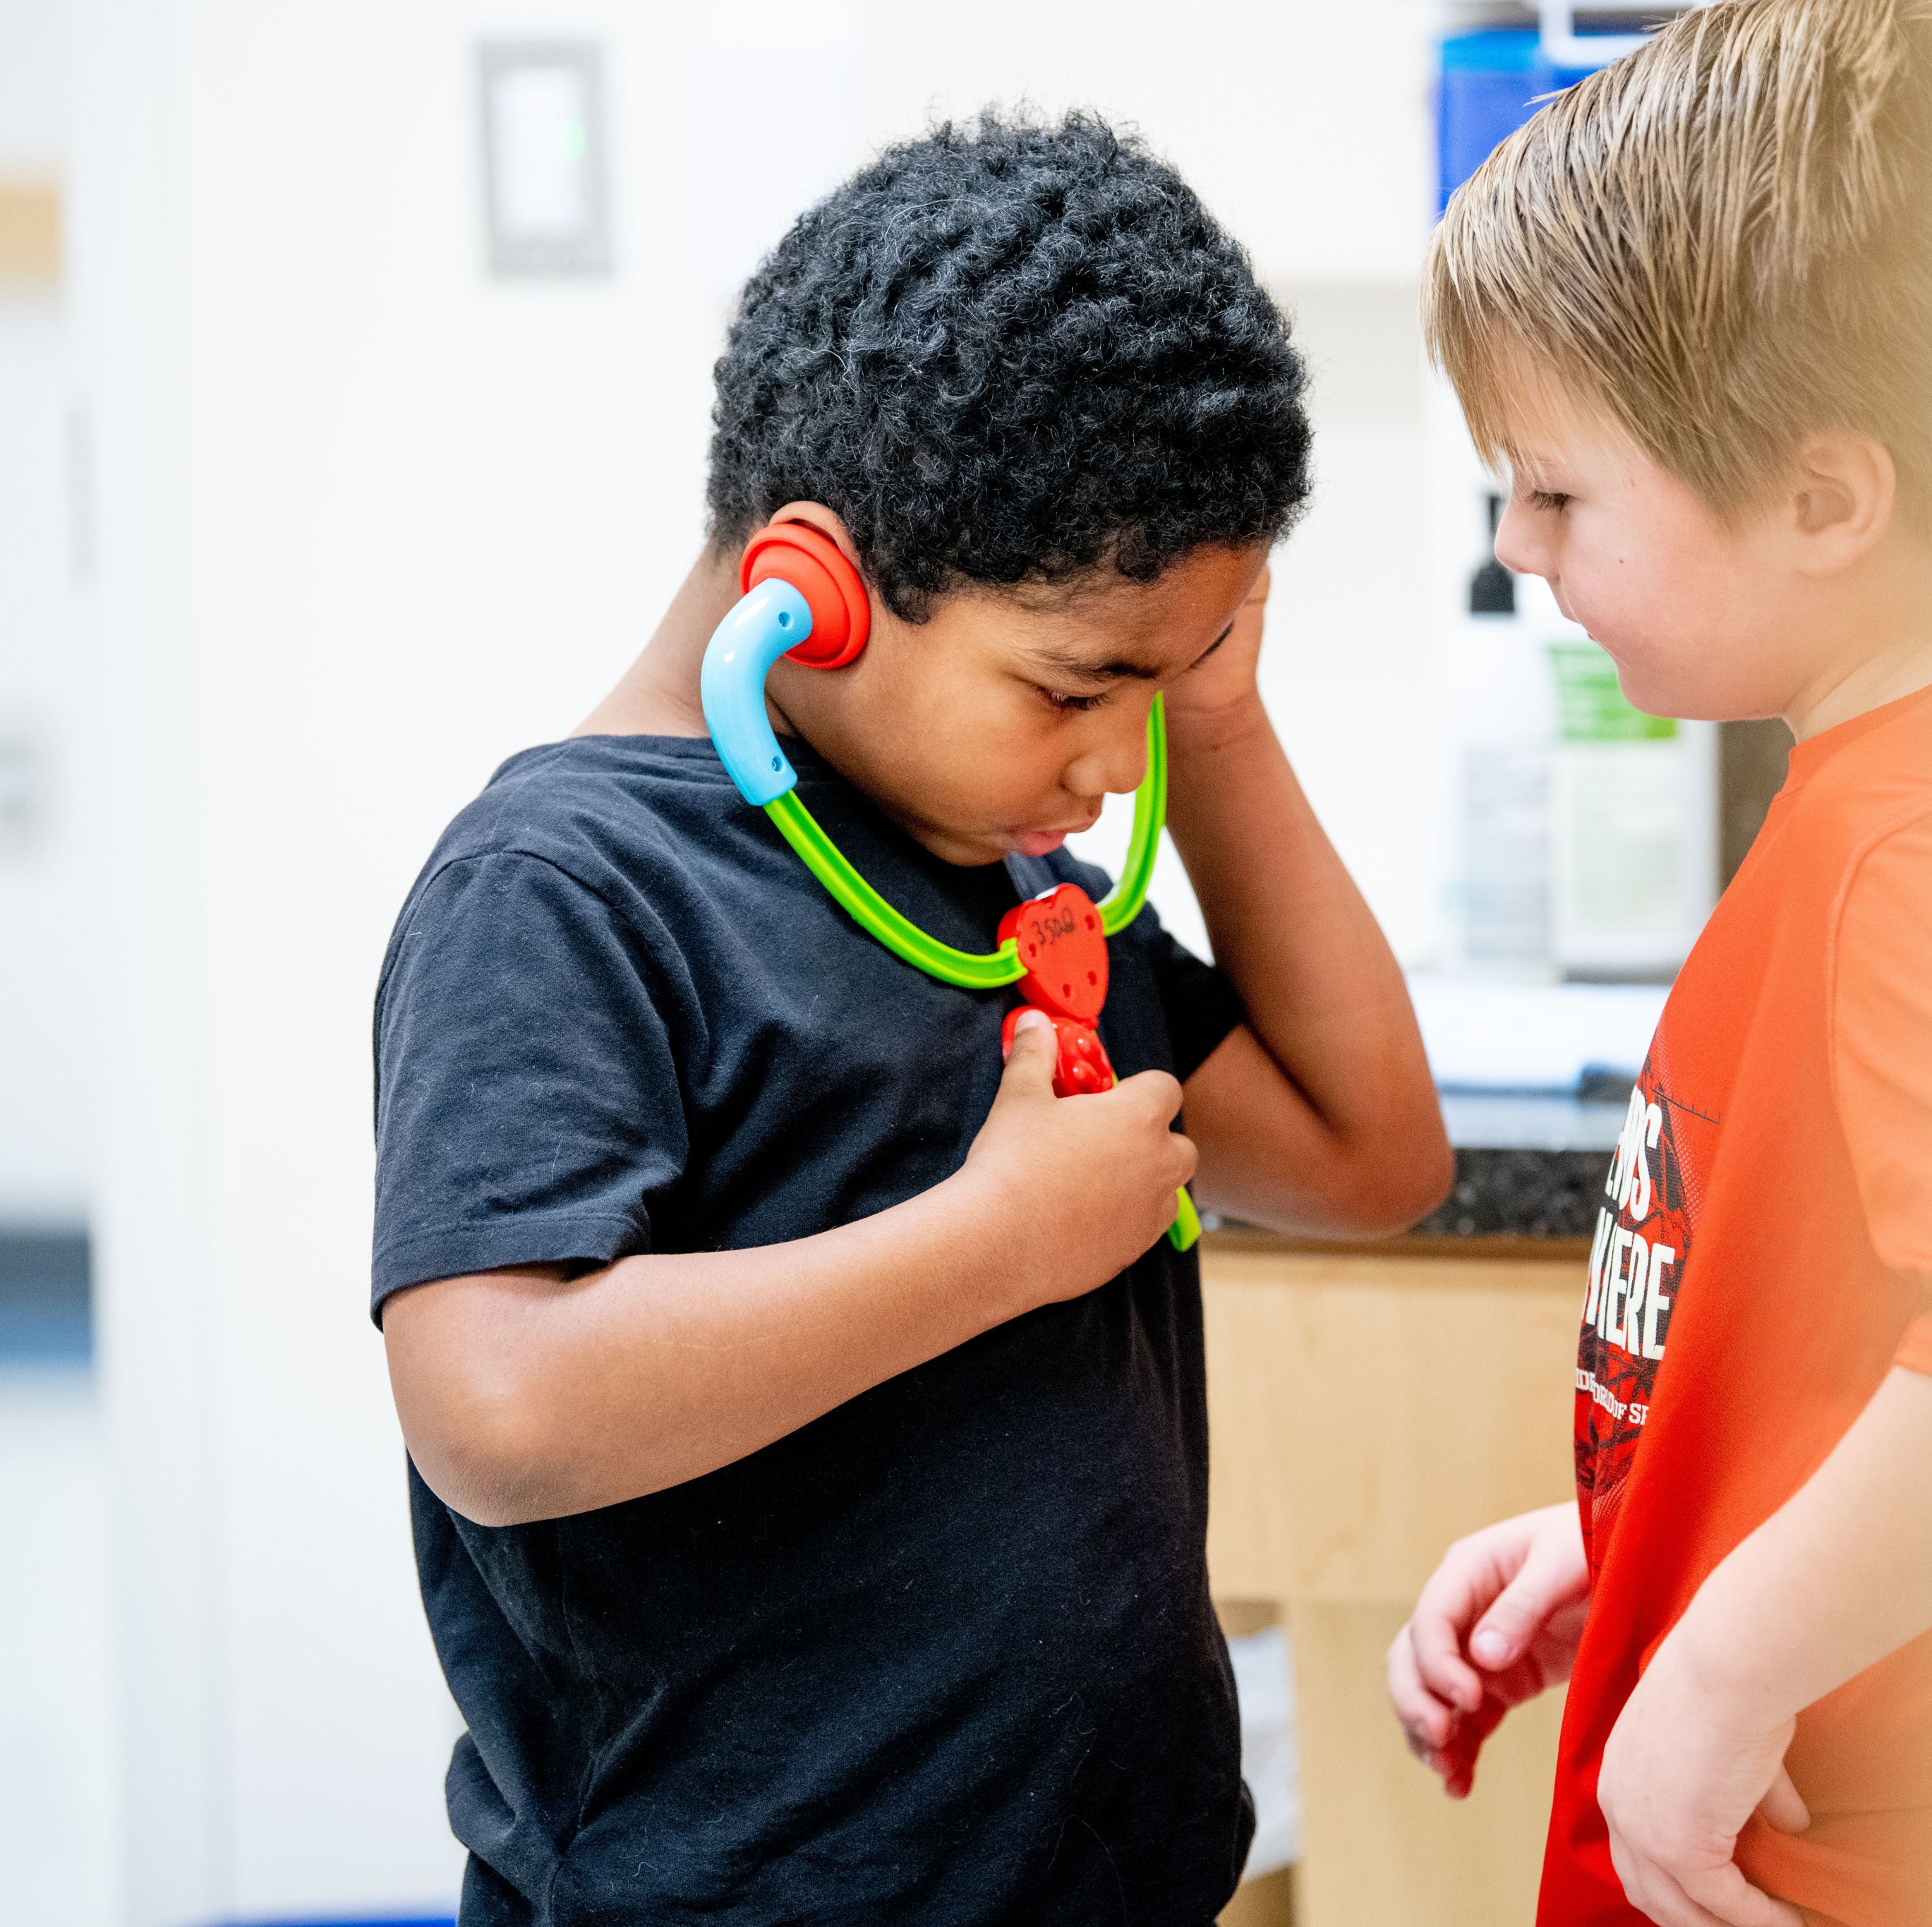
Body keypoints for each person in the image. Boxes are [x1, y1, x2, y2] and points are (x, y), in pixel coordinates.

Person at [370, 113, 1451, 1924]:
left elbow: (1369, 1157)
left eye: (1158, 687)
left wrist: (1227, 723)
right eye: (1074, 685)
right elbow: (495, 1398)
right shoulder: (560, 889)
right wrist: (995, 1240)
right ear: (814, 593)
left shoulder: (997, 870)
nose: (1116, 768)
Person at [1387, 4, 1932, 1923]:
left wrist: (1723, 1662)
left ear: (1826, 497)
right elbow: (1910, 1322)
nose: (1519, 544)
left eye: (1560, 491)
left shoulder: (1926, 843)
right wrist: (1657, 1537)